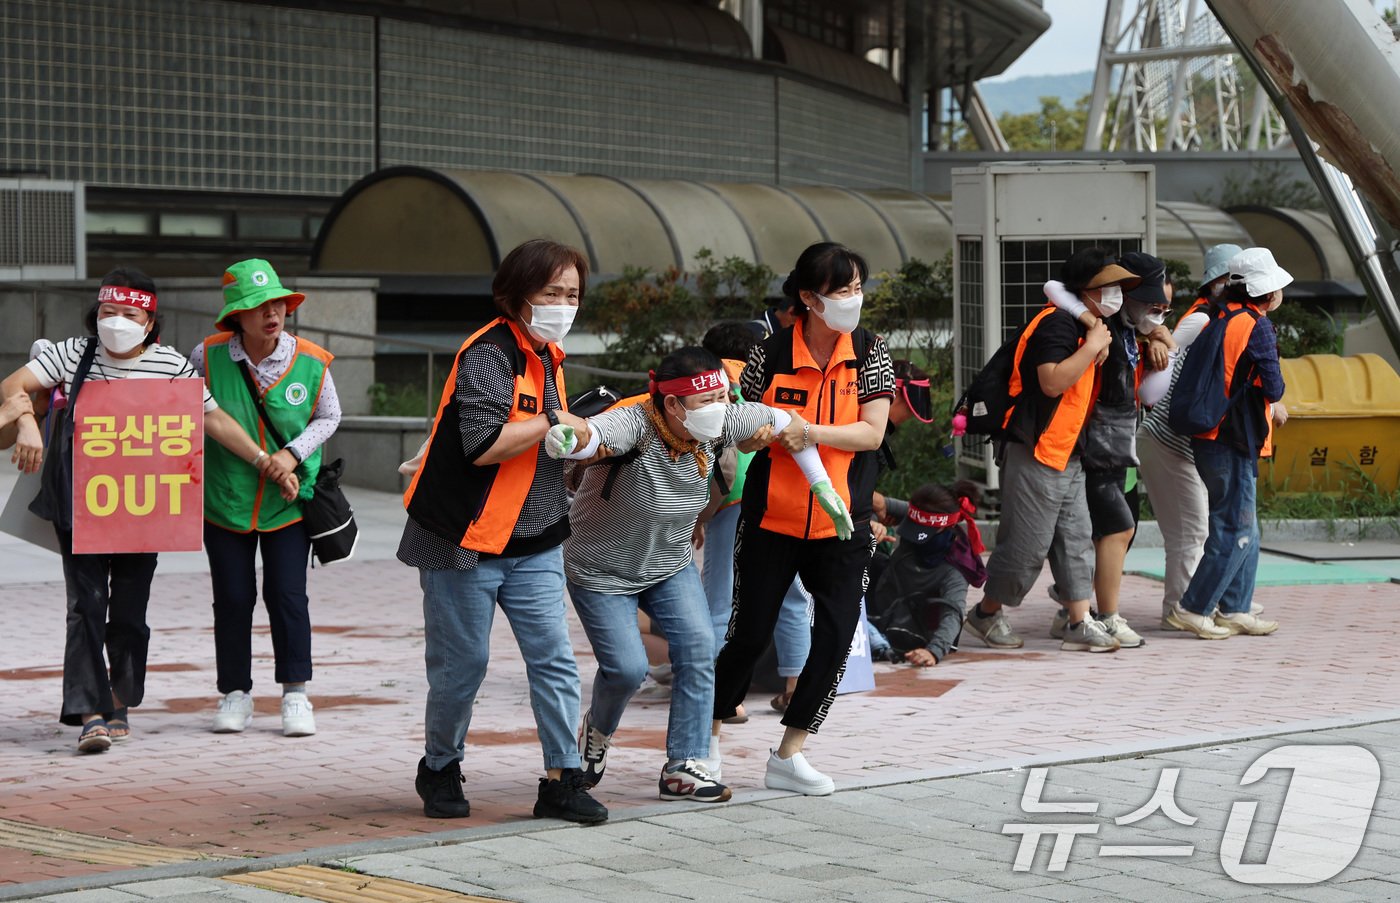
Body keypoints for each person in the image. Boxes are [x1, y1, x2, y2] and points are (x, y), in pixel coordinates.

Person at [1, 268, 293, 753]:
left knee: (130, 614)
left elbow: (214, 418)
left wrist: (265, 462)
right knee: (86, 606)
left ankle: (119, 698)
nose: (117, 322)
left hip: (144, 507)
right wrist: (28, 421)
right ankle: (90, 712)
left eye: (129, 314)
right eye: (108, 313)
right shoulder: (75, 354)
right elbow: (14, 383)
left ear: (149, 320)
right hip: (82, 505)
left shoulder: (173, 366)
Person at [545, 346, 850, 803]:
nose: (717, 410)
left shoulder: (721, 418)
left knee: (699, 648)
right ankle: (597, 730)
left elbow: (787, 421)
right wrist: (571, 441)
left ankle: (683, 766)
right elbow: (594, 435)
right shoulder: (637, 420)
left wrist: (821, 485)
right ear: (671, 404)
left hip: (669, 564)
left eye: (721, 398)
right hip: (602, 569)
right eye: (704, 402)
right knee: (627, 670)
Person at [397, 239, 606, 825]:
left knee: (555, 661)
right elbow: (483, 445)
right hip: (462, 538)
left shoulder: (550, 354)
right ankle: (440, 765)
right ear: (517, 296)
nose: (564, 304)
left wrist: (575, 445)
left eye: (572, 294)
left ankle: (562, 779)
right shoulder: (488, 352)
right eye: (551, 293)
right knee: (462, 666)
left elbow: (543, 443)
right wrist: (552, 423)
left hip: (533, 535)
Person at [711, 241, 895, 796]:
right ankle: (707, 741)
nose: (853, 300)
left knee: (837, 635)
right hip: (771, 516)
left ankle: (791, 751)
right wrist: (762, 429)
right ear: (810, 298)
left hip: (843, 519)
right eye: (843, 290)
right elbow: (742, 428)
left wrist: (809, 431)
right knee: (748, 633)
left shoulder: (871, 352)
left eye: (859, 288)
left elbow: (872, 433)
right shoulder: (770, 352)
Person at [189, 259, 342, 737]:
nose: (271, 313)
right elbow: (188, 415)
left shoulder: (313, 360)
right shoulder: (206, 356)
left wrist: (292, 455)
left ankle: (296, 693)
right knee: (232, 599)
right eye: (258, 306)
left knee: (287, 596)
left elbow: (328, 416)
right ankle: (234, 693)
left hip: (288, 500)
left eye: (277, 303)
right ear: (237, 315)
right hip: (225, 499)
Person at [966, 250, 1139, 654]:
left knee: (1076, 539)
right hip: (1036, 449)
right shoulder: (1057, 324)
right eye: (1107, 287)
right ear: (1085, 290)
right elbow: (1051, 381)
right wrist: (1092, 344)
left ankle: (1079, 622)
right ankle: (986, 615)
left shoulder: (1086, 324)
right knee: (1027, 546)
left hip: (1067, 451)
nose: (1115, 295)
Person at [1039, 251, 1177, 649]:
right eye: (1150, 302)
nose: (1157, 312)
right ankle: (1105, 616)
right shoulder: (1099, 324)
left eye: (1164, 307)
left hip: (1118, 448)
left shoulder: (1132, 332)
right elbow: (1055, 287)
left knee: (1111, 532)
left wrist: (1160, 340)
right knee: (1115, 529)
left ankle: (1076, 611)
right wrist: (1090, 321)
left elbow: (1148, 393)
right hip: (1093, 444)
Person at [1165, 247, 1289, 638]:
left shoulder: (1220, 317)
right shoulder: (1258, 326)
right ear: (1267, 294)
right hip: (1232, 438)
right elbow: (1275, 385)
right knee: (1234, 526)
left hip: (1211, 437)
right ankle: (1194, 607)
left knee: (1243, 526)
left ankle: (1235, 607)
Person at [1139, 243, 1241, 634]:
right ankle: (1182, 610)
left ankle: (1192, 605)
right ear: (1218, 282)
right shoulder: (1202, 320)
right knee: (1190, 530)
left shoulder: (1227, 320)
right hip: (1168, 440)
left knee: (1193, 529)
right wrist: (1158, 340)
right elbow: (1164, 357)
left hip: (1182, 443)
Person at [867, 481, 986, 667]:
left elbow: (953, 613)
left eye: (922, 532)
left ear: (945, 527)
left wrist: (933, 651)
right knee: (861, 555)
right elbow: (873, 502)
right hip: (887, 600)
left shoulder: (955, 567)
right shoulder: (917, 514)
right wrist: (872, 524)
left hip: (918, 630)